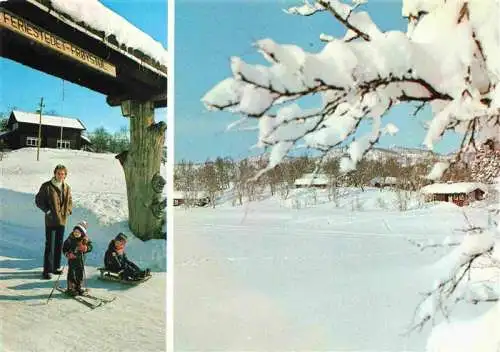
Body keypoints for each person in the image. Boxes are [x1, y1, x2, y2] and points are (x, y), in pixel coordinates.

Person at [35, 164, 73, 279]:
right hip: (51, 221)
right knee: (50, 245)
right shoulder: (46, 186)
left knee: (58, 244)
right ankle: (47, 270)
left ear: (65, 175)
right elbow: (38, 200)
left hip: (62, 220)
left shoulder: (66, 187)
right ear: (54, 173)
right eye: (58, 173)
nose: (60, 175)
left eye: (63, 174)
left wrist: (68, 211)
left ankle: (56, 267)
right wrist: (47, 211)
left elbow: (70, 201)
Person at [62, 221, 93, 296]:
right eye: (75, 231)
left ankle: (78, 287)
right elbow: (64, 248)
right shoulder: (70, 239)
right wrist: (67, 254)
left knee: (80, 273)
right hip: (72, 259)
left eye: (78, 232)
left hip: (81, 260)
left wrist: (86, 248)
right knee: (72, 273)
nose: (76, 233)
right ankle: (71, 288)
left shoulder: (85, 240)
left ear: (82, 233)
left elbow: (90, 247)